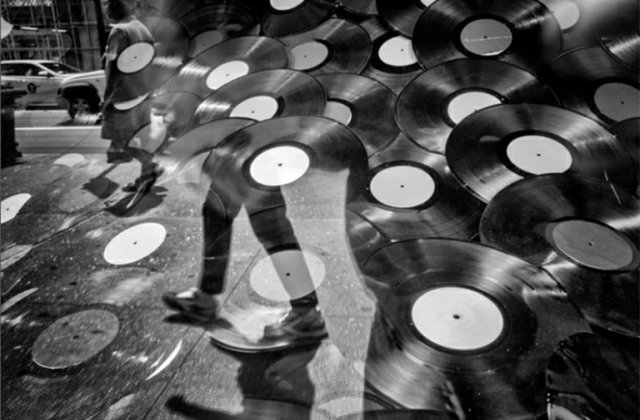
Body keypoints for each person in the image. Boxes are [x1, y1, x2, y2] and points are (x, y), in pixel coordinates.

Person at [100, 0, 164, 194]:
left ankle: (151, 167)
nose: (104, 9)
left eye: (106, 4)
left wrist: (107, 98)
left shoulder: (119, 31)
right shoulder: (141, 28)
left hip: (124, 97)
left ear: (114, 8)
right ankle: (145, 177)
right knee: (140, 138)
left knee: (120, 138)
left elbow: (114, 68)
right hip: (143, 93)